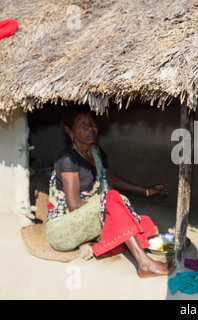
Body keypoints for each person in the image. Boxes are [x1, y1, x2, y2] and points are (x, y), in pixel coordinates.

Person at [45, 106, 174, 278]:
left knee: (144, 224)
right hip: (64, 227)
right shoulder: (67, 159)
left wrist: (147, 191)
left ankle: (93, 245)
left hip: (87, 216)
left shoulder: (95, 152)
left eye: (92, 123)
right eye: (82, 125)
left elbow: (111, 179)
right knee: (114, 202)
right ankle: (144, 264)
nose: (90, 128)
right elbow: (74, 204)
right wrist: (108, 210)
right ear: (70, 131)